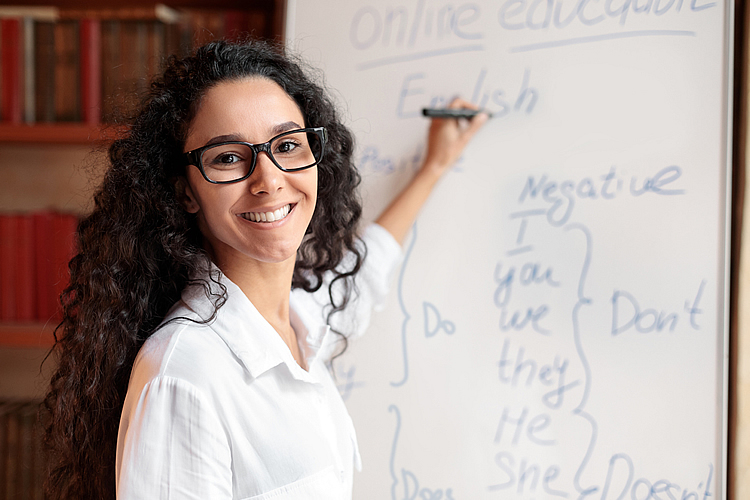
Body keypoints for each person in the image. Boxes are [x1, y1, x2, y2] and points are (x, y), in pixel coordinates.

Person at [42, 39, 487, 499]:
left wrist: (434, 166)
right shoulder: (186, 375)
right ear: (186, 192)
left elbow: (365, 273)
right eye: (229, 157)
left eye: (288, 144)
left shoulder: (301, 320)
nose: (269, 179)